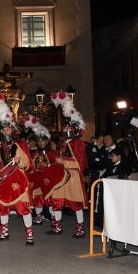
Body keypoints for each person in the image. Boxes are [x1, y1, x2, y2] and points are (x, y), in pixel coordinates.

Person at [0, 93, 34, 245]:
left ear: (12, 130)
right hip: (3, 181)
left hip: (18, 180)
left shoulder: (20, 146)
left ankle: (30, 235)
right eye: (4, 130)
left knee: (23, 208)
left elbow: (28, 163)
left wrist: (19, 162)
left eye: (8, 129)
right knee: (3, 208)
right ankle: (4, 233)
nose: (6, 132)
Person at [49, 91, 89, 238]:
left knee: (75, 203)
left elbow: (81, 163)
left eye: (68, 128)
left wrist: (64, 161)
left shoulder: (78, 143)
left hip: (73, 177)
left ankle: (80, 229)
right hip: (61, 176)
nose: (65, 130)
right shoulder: (64, 143)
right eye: (66, 128)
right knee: (57, 200)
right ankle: (57, 227)